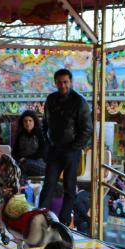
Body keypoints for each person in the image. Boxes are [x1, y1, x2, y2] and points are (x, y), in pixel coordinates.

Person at [39, 69, 92, 225]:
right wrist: (47, 143)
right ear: (55, 83)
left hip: (71, 150)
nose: (63, 85)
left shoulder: (79, 102)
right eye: (60, 82)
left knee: (69, 187)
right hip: (54, 149)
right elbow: (45, 124)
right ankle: (40, 217)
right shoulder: (50, 99)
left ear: (71, 82)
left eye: (65, 82)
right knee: (48, 185)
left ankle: (64, 221)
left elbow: (87, 129)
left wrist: (75, 147)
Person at [11, 110, 47, 178]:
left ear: (34, 121)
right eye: (25, 121)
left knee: (25, 165)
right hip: (22, 163)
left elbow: (42, 152)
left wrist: (27, 158)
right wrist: (19, 159)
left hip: (38, 163)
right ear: (22, 123)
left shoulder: (40, 133)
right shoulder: (20, 134)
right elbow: (14, 152)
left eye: (30, 121)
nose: (28, 123)